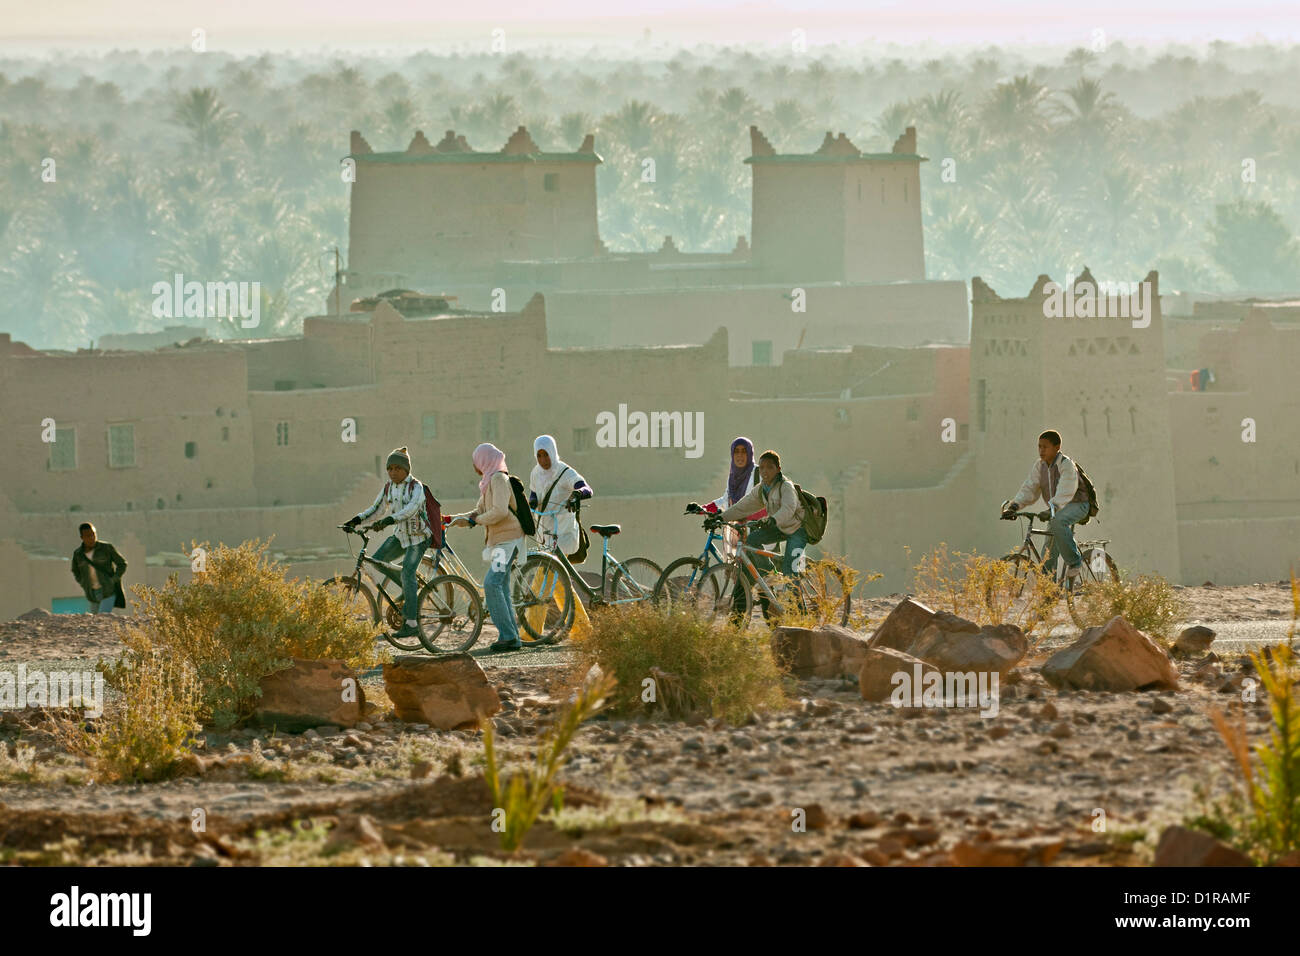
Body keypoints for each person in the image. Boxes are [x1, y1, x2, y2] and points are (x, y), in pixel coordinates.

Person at [344, 446, 435, 641]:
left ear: (406, 470)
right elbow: (377, 509)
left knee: (408, 571)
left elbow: (411, 509)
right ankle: (410, 589)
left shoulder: (416, 487)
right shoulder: (388, 487)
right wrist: (356, 520)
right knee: (377, 561)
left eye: (397, 468)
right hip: (400, 537)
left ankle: (411, 623)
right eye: (390, 469)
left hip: (418, 538)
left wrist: (390, 520)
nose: (393, 472)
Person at [447, 443, 525, 653]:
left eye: (476, 460)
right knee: (501, 587)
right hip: (500, 541)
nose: (474, 465)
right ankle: (512, 637)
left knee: (492, 584)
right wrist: (455, 519)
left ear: (484, 460)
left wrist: (477, 520)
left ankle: (508, 636)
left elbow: (499, 512)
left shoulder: (499, 478)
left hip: (509, 539)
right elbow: (479, 511)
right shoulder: (489, 481)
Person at [714, 449, 807, 618]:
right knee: (751, 540)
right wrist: (721, 518)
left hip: (796, 530)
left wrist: (772, 520)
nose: (764, 471)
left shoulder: (786, 487)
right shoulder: (762, 489)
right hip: (779, 528)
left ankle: (802, 616)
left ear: (778, 469)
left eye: (769, 468)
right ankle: (770, 576)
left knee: (789, 570)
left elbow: (789, 508)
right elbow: (742, 506)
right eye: (762, 467)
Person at [1000, 429, 1090, 579]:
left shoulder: (1066, 465)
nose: (1041, 450)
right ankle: (1050, 593)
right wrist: (1014, 506)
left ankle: (1075, 562)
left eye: (1045, 447)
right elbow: (1030, 487)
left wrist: (1052, 508)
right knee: (1047, 556)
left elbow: (1066, 490)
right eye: (1039, 446)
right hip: (1057, 509)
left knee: (1058, 522)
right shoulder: (1040, 466)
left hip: (1078, 505)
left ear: (1057, 447)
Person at [527, 434, 593, 639]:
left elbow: (586, 488)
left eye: (546, 455)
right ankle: (582, 631)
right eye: (539, 455)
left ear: (553, 453)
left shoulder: (565, 472)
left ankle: (529, 633)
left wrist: (576, 495)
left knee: (542, 581)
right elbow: (534, 495)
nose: (543, 460)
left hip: (563, 535)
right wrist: (530, 503)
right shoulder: (535, 473)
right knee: (558, 585)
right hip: (546, 535)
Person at [691, 436, 765, 557]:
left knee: (761, 572)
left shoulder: (759, 473)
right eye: (736, 451)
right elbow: (726, 500)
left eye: (743, 451)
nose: (739, 455)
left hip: (756, 532)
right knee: (735, 572)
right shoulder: (732, 477)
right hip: (737, 531)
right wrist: (703, 509)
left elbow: (768, 500)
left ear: (750, 453)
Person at [71, 522, 128, 614]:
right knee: (95, 621)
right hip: (92, 593)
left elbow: (122, 564)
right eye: (88, 536)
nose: (92, 538)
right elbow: (75, 571)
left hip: (108, 590)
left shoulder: (106, 548)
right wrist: (83, 583)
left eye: (93, 534)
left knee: (102, 617)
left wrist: (114, 579)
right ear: (82, 537)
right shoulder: (78, 554)